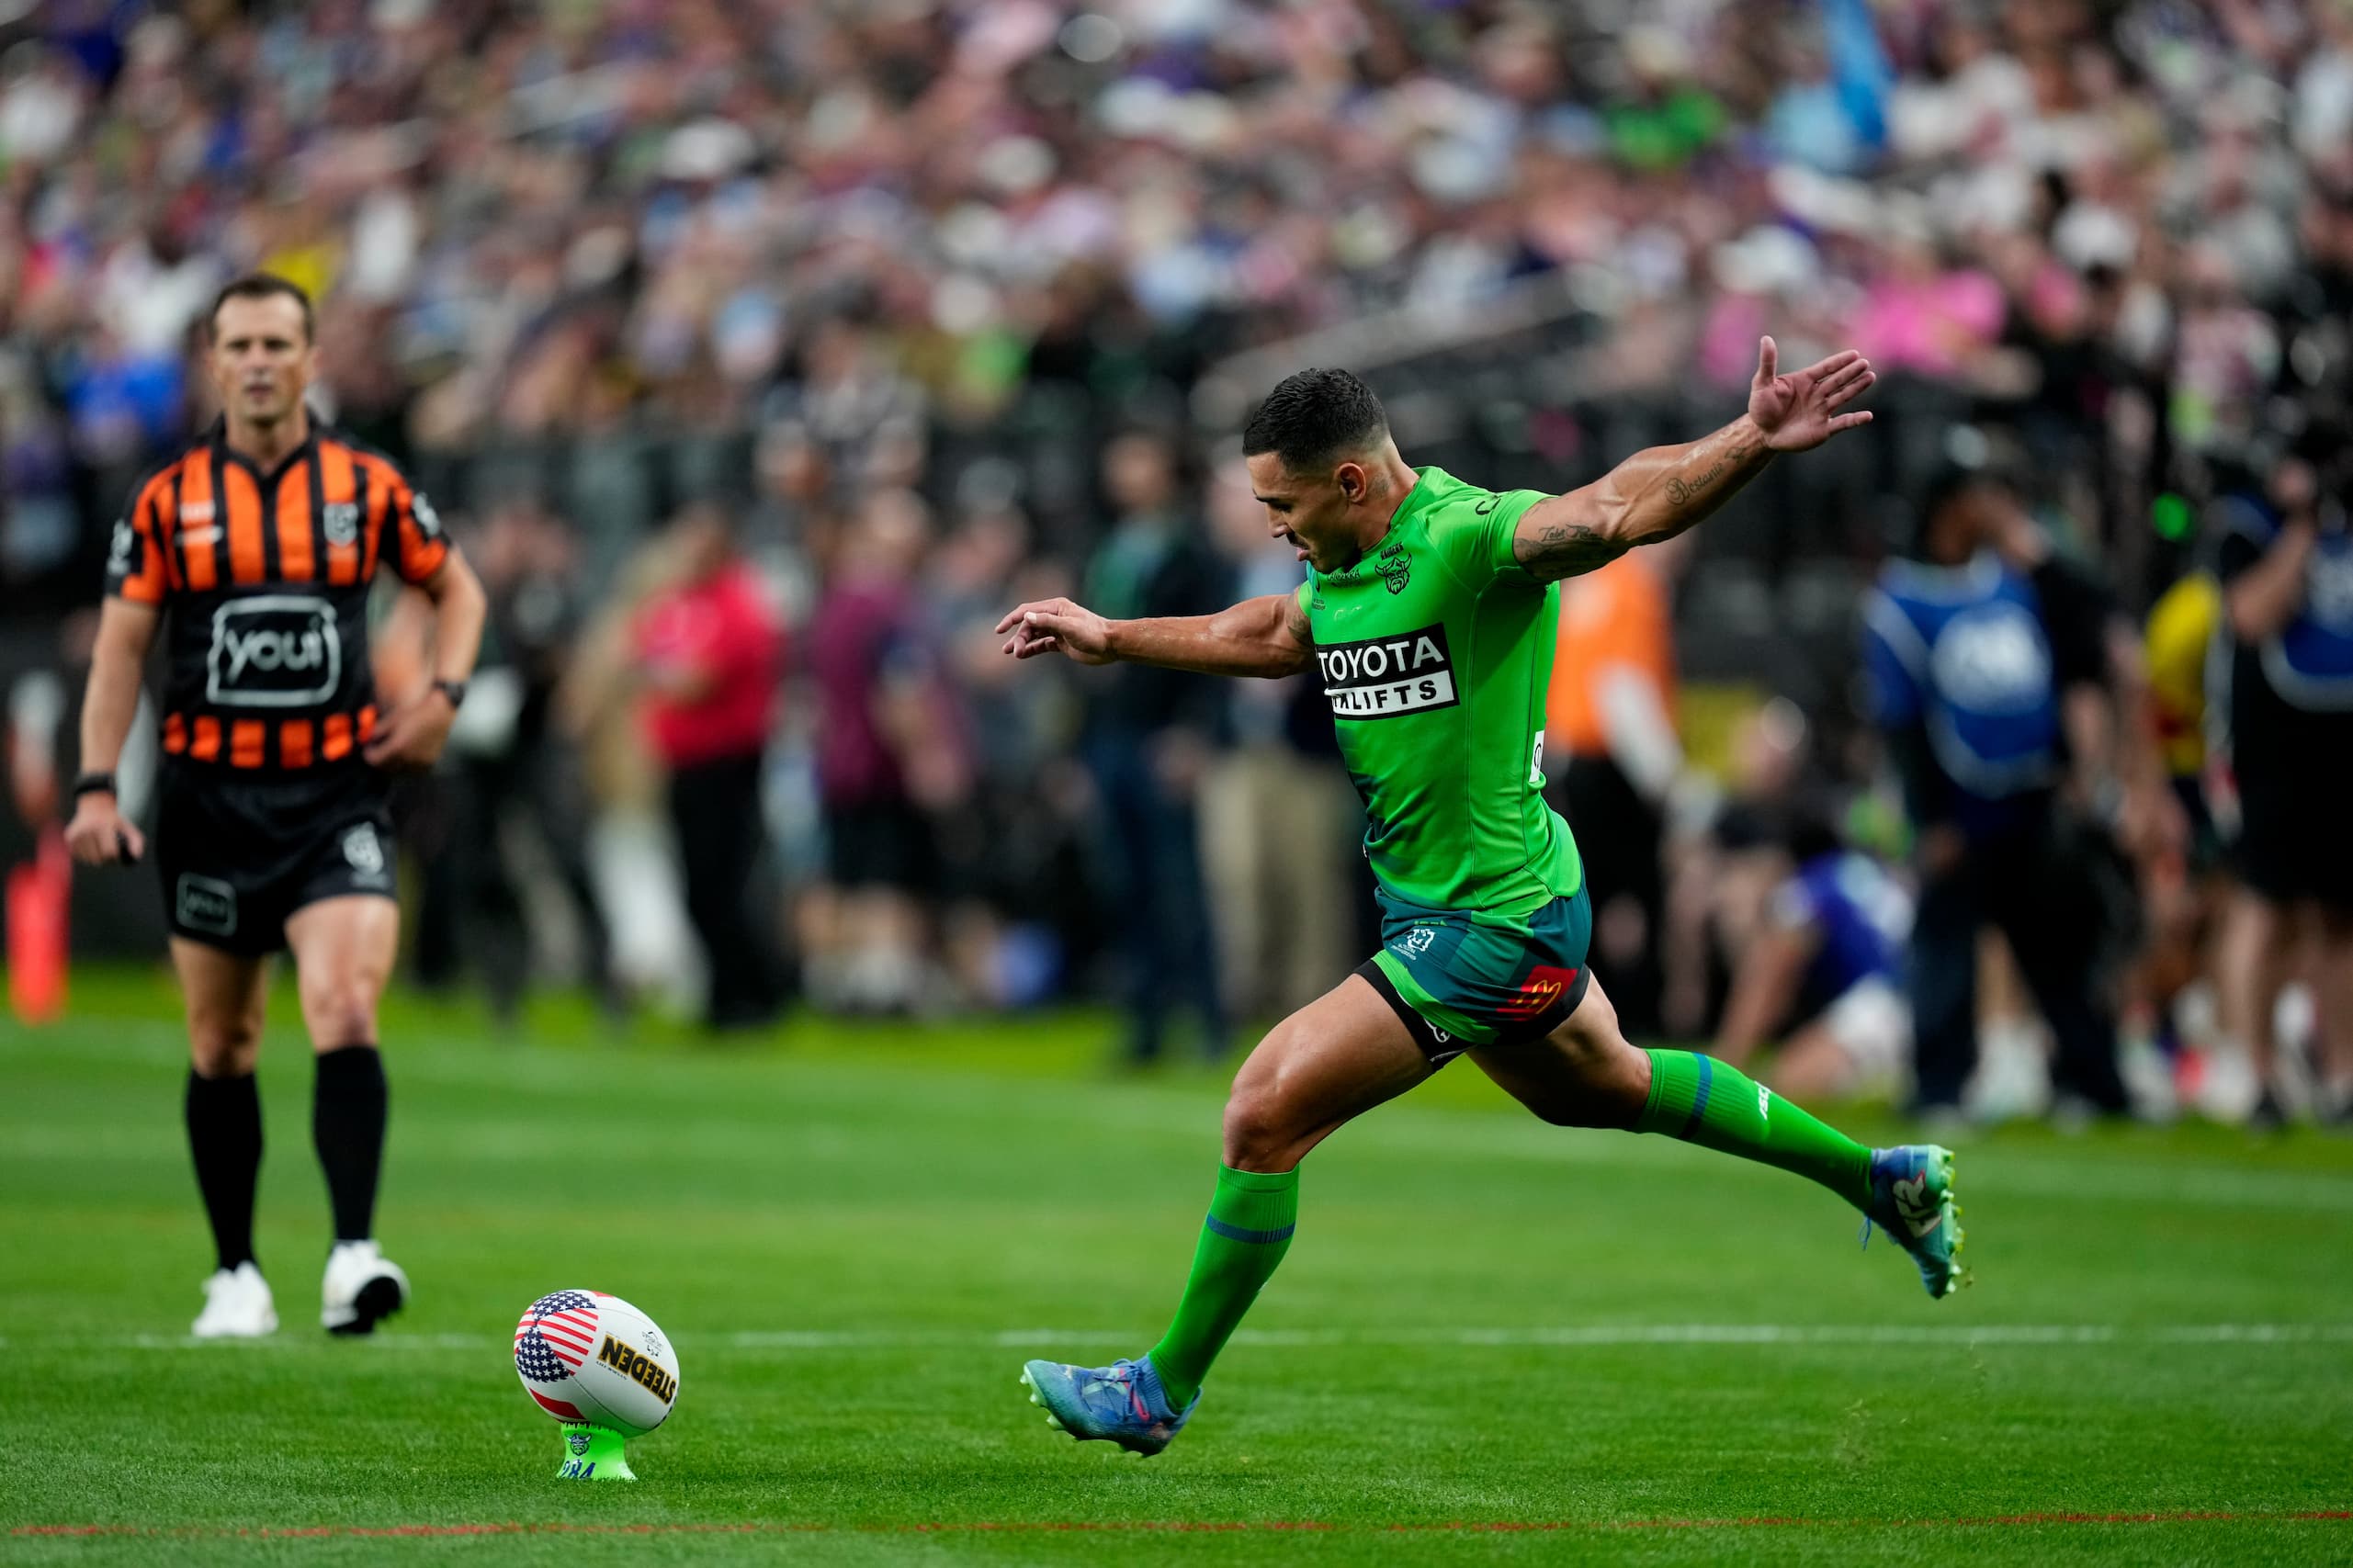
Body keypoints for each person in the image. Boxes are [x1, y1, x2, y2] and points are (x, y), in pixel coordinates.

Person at [997, 340, 1962, 1459]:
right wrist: (1113, 636)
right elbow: (1277, 631)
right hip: (1463, 911)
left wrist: (1748, 438)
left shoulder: (1465, 541)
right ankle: (1881, 1180)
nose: (1272, 527)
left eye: (1282, 505)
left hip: (1493, 925)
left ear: (1350, 479)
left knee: (1262, 1110)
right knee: (1611, 1086)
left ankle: (1157, 1390)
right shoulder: (1343, 562)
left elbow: (1615, 508)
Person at [63, 274, 487, 1338]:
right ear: (213, 362)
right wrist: (97, 786)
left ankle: (353, 1256)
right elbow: (119, 650)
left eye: (277, 344)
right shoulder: (166, 501)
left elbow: (458, 590)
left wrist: (441, 700)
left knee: (344, 1003)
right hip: (211, 804)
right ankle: (236, 1274)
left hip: (335, 795)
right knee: (224, 1041)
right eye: (240, 345)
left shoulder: (365, 485)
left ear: (311, 360)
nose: (259, 363)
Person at [1861, 449, 2133, 1122]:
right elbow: (1901, 719)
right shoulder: (1900, 600)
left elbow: (2091, 624)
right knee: (1947, 948)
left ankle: (2091, 1081)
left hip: (2034, 794)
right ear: (1951, 506)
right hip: (1959, 804)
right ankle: (1939, 1086)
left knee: (2059, 945)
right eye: (1981, 492)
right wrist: (1930, 818)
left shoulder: (2017, 578)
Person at [2210, 451, 2353, 1124]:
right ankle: (2256, 1076)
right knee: (2263, 903)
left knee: (2340, 915)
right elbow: (2250, 614)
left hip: (2342, 745)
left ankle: (2342, 1078)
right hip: (2269, 748)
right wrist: (2300, 525)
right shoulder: (2246, 524)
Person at [632, 504, 786, 1032]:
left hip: (727, 764)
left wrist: (661, 674)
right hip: (687, 764)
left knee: (724, 882)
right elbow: (644, 654)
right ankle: (728, 992)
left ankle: (747, 996)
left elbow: (696, 680)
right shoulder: (682, 601)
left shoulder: (738, 603)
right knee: (698, 885)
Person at [1712, 818, 1914, 1101]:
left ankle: (1886, 1079)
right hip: (1915, 995)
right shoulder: (1853, 871)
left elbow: (1771, 978)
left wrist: (1726, 1062)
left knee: (1786, 1083)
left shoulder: (1802, 892)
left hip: (1882, 1002)